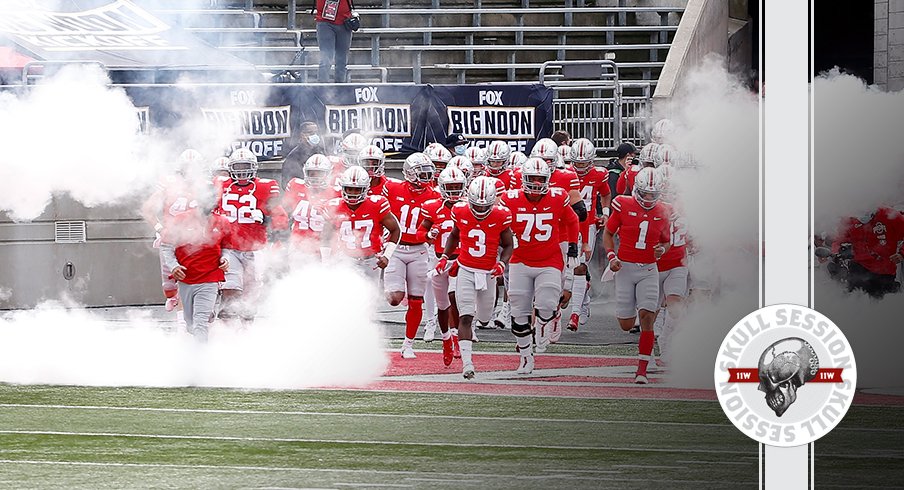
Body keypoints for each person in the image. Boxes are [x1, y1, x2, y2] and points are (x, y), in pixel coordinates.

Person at [500, 158, 579, 373]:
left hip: (549, 260)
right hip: (520, 261)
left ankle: (545, 323)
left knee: (546, 304)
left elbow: (572, 220)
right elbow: (498, 225)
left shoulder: (557, 196)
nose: (535, 183)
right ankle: (526, 357)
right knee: (518, 310)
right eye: (531, 178)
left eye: (540, 179)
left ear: (548, 180)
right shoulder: (509, 199)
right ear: (522, 179)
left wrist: (573, 247)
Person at [436, 176, 514, 379]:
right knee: (466, 316)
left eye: (485, 206)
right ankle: (467, 364)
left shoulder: (501, 215)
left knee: (485, 318)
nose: (480, 210)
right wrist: (445, 256)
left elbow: (508, 244)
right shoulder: (460, 211)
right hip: (466, 269)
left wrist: (501, 263)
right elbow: (454, 234)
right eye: (476, 206)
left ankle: (479, 328)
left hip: (488, 272)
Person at [602, 166, 671, 384]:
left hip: (649, 269)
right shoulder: (623, 204)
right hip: (625, 268)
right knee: (626, 323)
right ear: (637, 190)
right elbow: (609, 232)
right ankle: (643, 357)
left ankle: (641, 370)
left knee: (648, 317)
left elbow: (666, 241)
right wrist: (612, 256)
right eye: (646, 193)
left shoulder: (664, 210)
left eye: (653, 194)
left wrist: (662, 249)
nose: (649, 198)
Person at [213, 148, 288, 325]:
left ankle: (246, 327)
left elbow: (281, 216)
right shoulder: (220, 185)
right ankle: (227, 328)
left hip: (256, 248)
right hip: (229, 247)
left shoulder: (265, 186)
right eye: (237, 166)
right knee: (230, 288)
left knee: (252, 291)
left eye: (245, 166)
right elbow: (208, 209)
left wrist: (266, 218)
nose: (241, 170)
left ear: (254, 167)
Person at [383, 153, 440, 359]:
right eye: (421, 173)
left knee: (416, 301)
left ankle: (408, 344)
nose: (425, 177)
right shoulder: (393, 188)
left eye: (427, 173)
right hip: (396, 249)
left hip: (419, 250)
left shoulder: (434, 195)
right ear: (409, 173)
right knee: (395, 298)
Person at [160, 195, 231, 343]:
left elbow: (227, 247)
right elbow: (166, 246)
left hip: (210, 277)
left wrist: (225, 259)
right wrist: (174, 266)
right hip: (186, 277)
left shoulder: (222, 222)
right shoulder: (180, 220)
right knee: (190, 324)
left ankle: (201, 358)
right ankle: (207, 315)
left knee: (200, 322)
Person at [419, 166, 468, 364]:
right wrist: (429, 235)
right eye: (451, 186)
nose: (455, 191)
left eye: (458, 186)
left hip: (459, 260)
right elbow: (419, 233)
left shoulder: (468, 206)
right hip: (438, 259)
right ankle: (446, 339)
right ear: (442, 187)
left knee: (454, 298)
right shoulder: (432, 207)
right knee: (442, 306)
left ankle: (456, 338)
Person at [322, 166, 401, 282]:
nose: (353, 193)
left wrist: (387, 255)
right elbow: (326, 236)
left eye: (357, 189)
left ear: (365, 189)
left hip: (371, 259)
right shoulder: (333, 206)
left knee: (372, 296)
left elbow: (396, 230)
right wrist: (326, 262)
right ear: (343, 188)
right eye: (349, 189)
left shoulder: (377, 204)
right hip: (345, 259)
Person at [568, 138, 611, 332]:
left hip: (589, 224)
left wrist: (605, 213)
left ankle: (575, 313)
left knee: (580, 266)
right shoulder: (566, 174)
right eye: (577, 163)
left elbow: (606, 194)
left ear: (592, 161)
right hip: (568, 225)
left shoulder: (599, 175)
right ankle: (582, 292)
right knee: (568, 268)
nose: (580, 167)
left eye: (583, 163)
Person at [832, 207, 904, 298]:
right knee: (856, 302)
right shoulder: (849, 219)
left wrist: (902, 253)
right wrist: (838, 250)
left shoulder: (890, 215)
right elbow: (838, 240)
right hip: (858, 269)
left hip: (884, 272)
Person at [283, 154, 338, 254]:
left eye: (319, 174)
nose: (315, 178)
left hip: (324, 246)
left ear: (328, 174)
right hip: (298, 244)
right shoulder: (295, 185)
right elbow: (284, 213)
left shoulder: (336, 192)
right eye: (312, 173)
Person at [314, 0, 356, 83]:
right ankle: (322, 88)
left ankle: (340, 89)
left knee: (342, 60)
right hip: (325, 21)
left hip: (345, 21)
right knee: (326, 58)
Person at [281, 122, 325, 188]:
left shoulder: (320, 151)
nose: (315, 135)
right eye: (311, 133)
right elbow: (288, 182)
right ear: (302, 135)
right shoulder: (294, 156)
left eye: (316, 133)